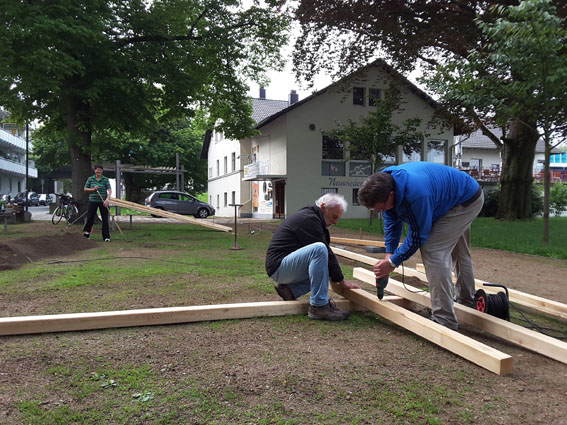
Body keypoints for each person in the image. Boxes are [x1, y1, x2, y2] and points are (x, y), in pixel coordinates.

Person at [357, 162, 484, 330]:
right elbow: (391, 223)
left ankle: (444, 319)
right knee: (457, 252)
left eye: (380, 208)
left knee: (433, 250)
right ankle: (466, 302)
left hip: (465, 201)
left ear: (391, 196)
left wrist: (393, 263)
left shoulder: (416, 195)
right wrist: (389, 255)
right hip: (444, 199)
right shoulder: (385, 185)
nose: (379, 212)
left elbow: (418, 236)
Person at [265, 193, 359, 321]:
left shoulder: (313, 218)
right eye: (334, 217)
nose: (335, 222)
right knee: (319, 249)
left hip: (284, 267)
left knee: (327, 269)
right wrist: (341, 280)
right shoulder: (308, 219)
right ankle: (319, 307)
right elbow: (325, 249)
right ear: (323, 207)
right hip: (279, 267)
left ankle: (289, 290)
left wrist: (337, 277)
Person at [82, 164, 112, 242]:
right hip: (93, 201)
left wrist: (107, 200)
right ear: (95, 170)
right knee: (90, 217)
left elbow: (109, 190)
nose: (98, 171)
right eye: (97, 170)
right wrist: (93, 189)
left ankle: (106, 237)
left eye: (100, 170)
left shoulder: (105, 179)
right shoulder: (90, 179)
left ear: (102, 171)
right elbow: (85, 189)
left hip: (103, 202)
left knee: (105, 219)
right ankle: (87, 233)